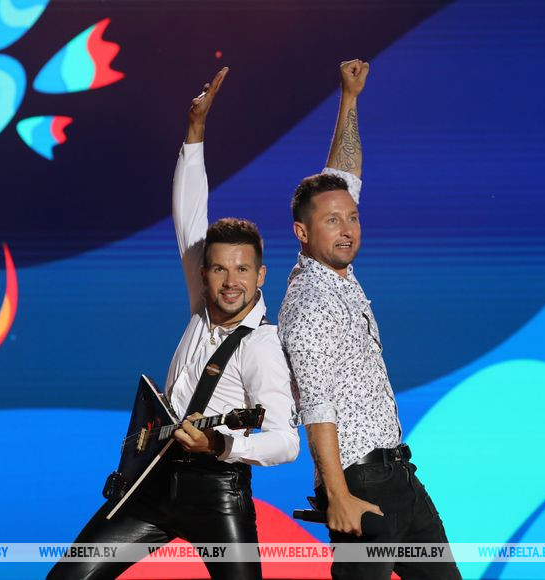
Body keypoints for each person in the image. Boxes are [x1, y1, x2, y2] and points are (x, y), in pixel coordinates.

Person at [47, 67, 299, 580]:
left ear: (261, 275)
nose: (231, 281)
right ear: (204, 273)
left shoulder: (263, 345)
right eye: (219, 269)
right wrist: (195, 130)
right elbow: (189, 217)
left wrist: (223, 445)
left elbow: (286, 442)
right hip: (151, 484)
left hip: (218, 494)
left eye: (243, 270)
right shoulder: (201, 304)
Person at [278, 60, 461, 580]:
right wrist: (337, 495)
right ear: (302, 232)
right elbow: (317, 404)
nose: (347, 228)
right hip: (361, 485)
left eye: (352, 218)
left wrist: (350, 98)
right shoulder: (310, 301)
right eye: (332, 221)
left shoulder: (337, 274)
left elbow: (343, 176)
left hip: (400, 475)